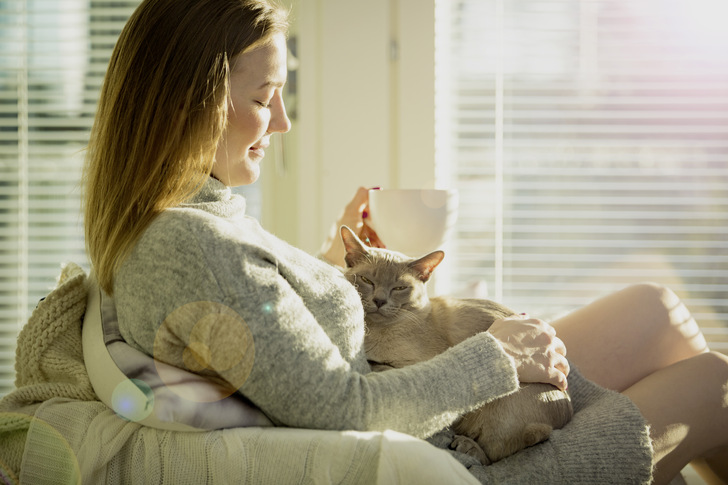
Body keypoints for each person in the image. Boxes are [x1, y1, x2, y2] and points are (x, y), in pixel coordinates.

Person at [81, 0, 728, 483]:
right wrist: (498, 356)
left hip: (421, 400)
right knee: (714, 381)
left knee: (654, 309)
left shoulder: (196, 220)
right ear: (188, 104)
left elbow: (262, 320)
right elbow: (346, 408)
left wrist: (337, 268)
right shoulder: (186, 245)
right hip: (452, 453)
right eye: (264, 96)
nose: (280, 120)